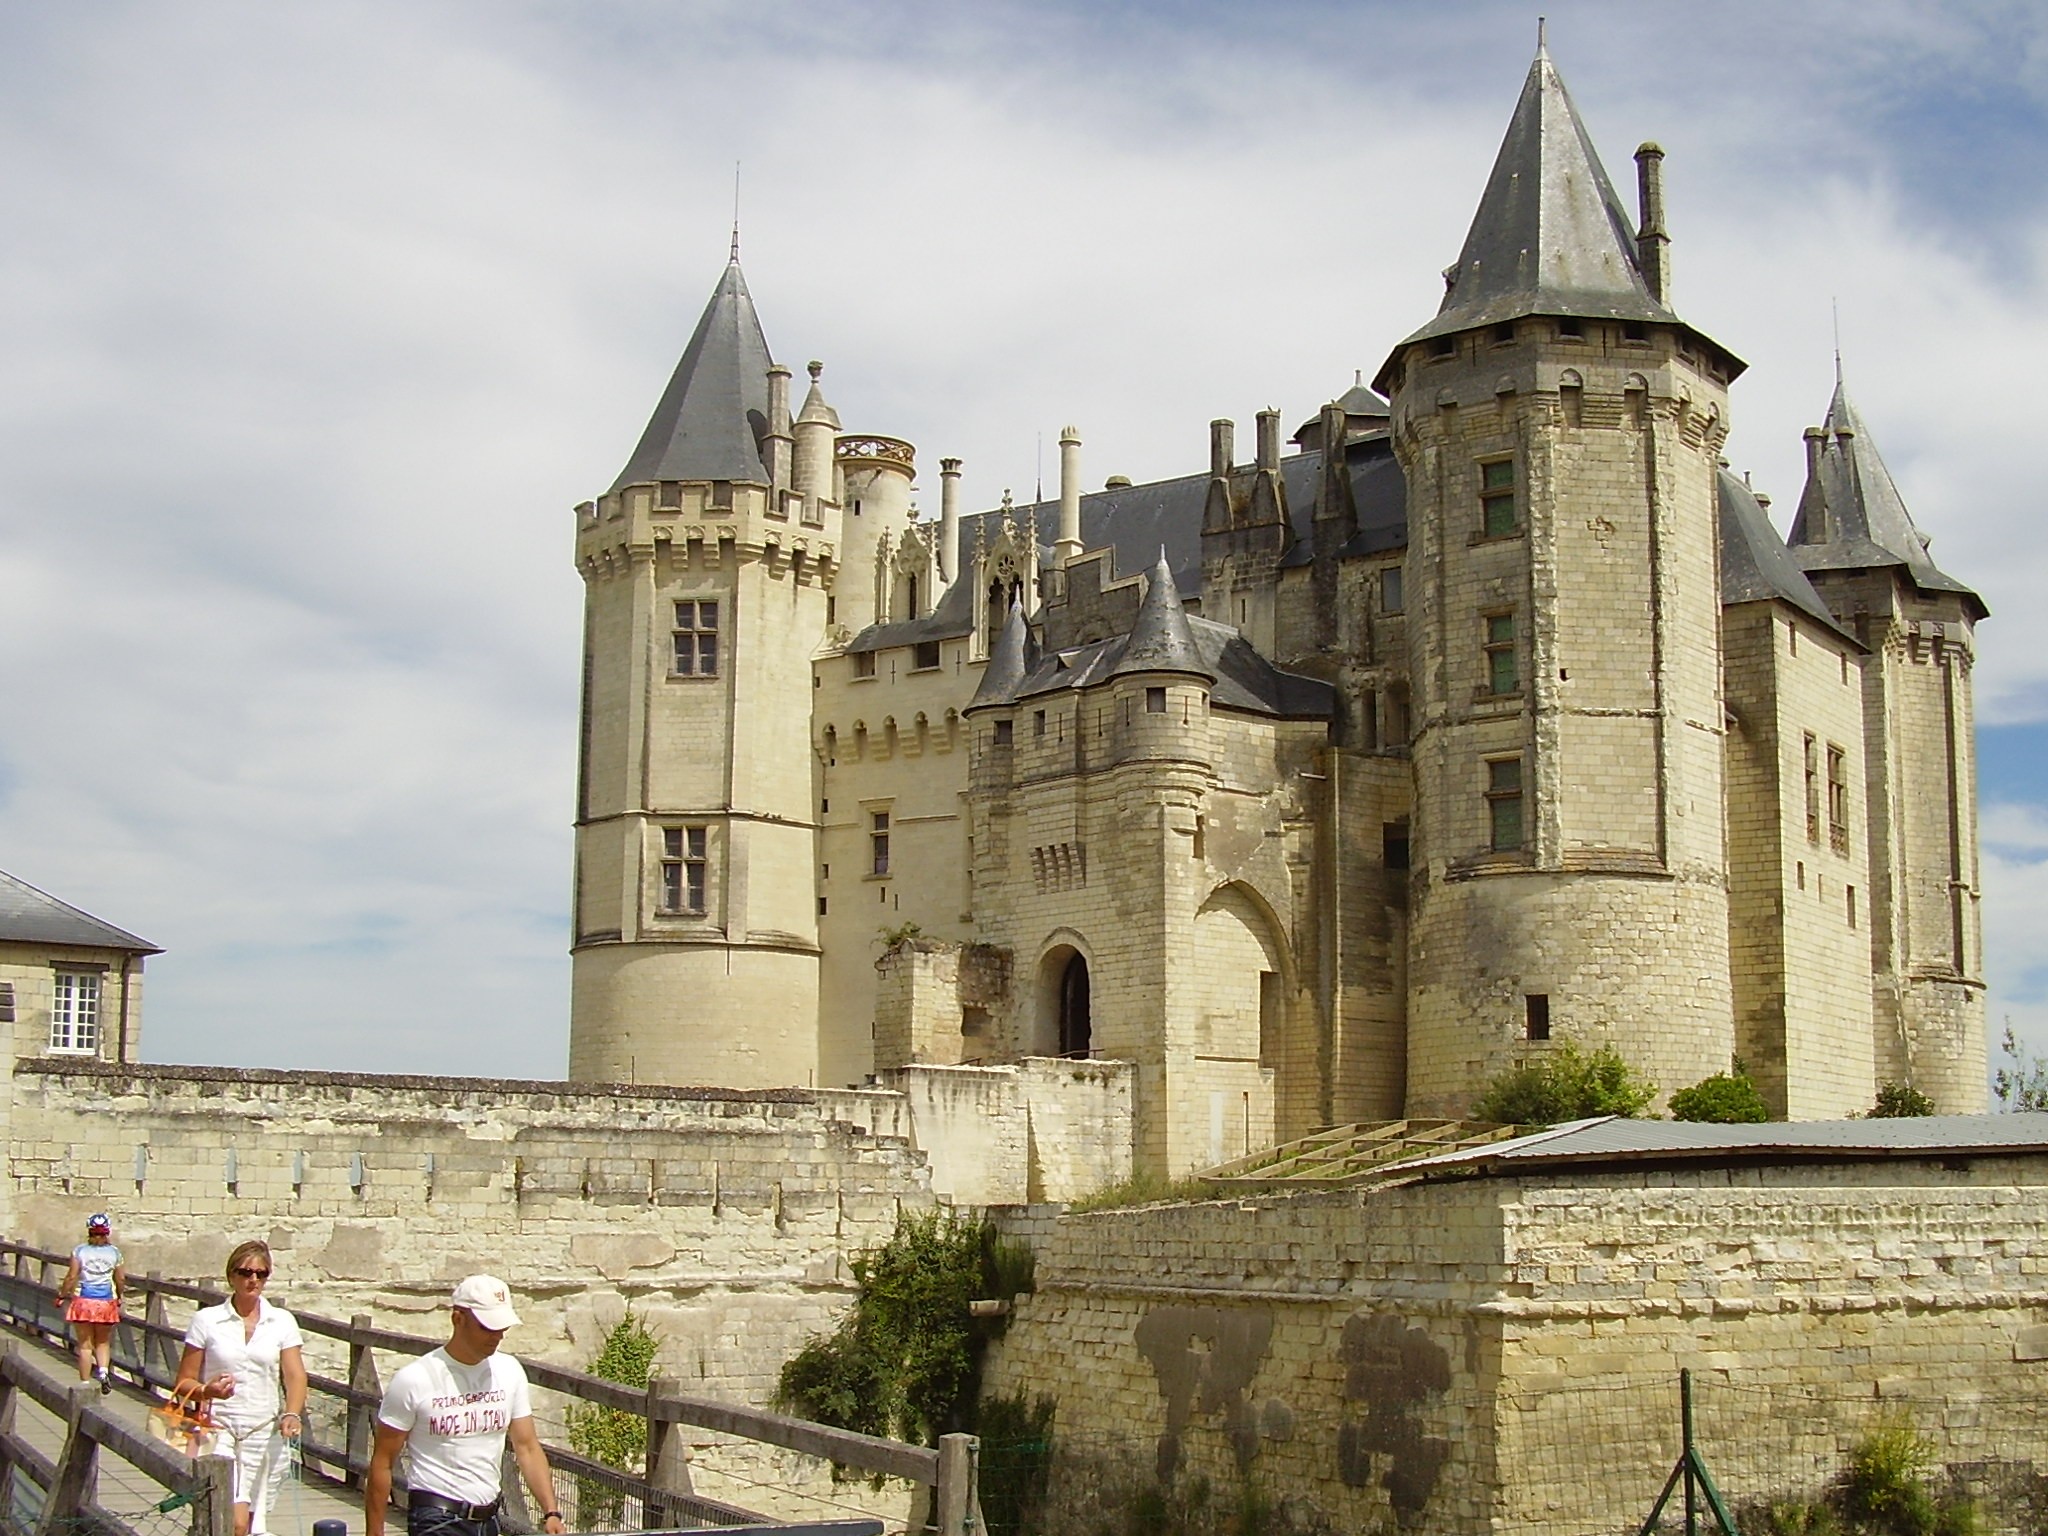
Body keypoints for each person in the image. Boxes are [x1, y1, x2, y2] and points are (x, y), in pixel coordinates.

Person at [365, 1276, 565, 1536]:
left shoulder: (509, 1370)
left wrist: (551, 1511)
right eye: (487, 1327)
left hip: (489, 1516)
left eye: (502, 1327)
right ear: (458, 1319)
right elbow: (382, 1462)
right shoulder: (415, 1379)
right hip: (437, 1516)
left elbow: (526, 1446)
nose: (497, 1336)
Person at [177, 1241, 308, 1536]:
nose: (253, 1280)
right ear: (231, 1275)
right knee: (233, 1521)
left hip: (263, 1433)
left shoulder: (282, 1321)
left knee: (250, 1524)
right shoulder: (206, 1320)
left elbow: (295, 1375)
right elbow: (184, 1382)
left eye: (261, 1274)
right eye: (246, 1272)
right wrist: (207, 1391)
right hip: (218, 1429)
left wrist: (293, 1413)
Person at [53, 1212, 125, 1391]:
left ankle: (84, 1383)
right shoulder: (115, 1253)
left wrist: (62, 1295)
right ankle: (103, 1373)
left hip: (84, 1301)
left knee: (85, 1346)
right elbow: (120, 1278)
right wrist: (120, 1296)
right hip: (106, 1302)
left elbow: (71, 1276)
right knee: (102, 1342)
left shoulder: (80, 1251)